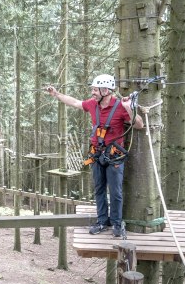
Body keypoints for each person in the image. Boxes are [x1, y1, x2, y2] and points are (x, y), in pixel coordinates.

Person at [46, 74, 144, 237]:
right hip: (97, 154)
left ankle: (117, 223)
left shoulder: (120, 106)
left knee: (115, 191)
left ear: (106, 90)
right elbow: (75, 102)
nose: (92, 92)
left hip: (114, 156)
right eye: (92, 89)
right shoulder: (92, 104)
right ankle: (102, 221)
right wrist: (57, 94)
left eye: (95, 89)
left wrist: (128, 107)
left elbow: (139, 124)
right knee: (99, 189)